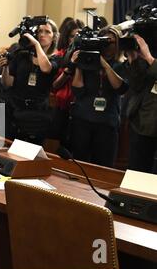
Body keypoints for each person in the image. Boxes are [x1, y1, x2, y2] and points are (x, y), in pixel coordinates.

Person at [69, 26, 128, 167]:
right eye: (105, 41)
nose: (108, 46)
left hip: (106, 124)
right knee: (79, 165)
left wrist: (104, 64)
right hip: (83, 120)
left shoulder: (120, 66)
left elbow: (120, 88)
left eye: (111, 42)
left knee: (103, 167)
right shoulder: (88, 62)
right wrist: (79, 65)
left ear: (118, 44)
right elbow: (77, 90)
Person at [0, 19, 59, 145]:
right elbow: (7, 83)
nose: (42, 34)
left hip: (38, 113)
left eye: (47, 32)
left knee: (31, 154)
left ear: (54, 37)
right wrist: (5, 67)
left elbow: (45, 68)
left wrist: (36, 44)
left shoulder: (55, 58)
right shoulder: (21, 52)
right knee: (9, 148)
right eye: (39, 31)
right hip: (16, 108)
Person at [49, 19, 84, 149]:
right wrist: (71, 66)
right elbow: (54, 85)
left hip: (80, 109)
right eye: (72, 36)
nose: (75, 39)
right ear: (67, 37)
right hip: (61, 107)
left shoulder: (89, 57)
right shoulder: (59, 56)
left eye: (79, 36)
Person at [126, 35, 157, 174]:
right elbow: (136, 85)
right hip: (143, 122)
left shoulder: (149, 55)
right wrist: (133, 59)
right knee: (136, 174)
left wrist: (149, 58)